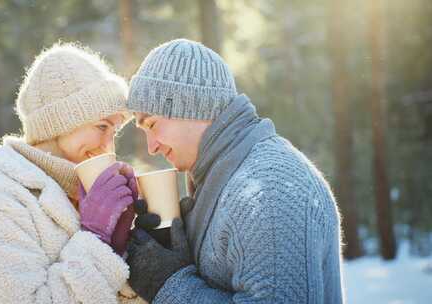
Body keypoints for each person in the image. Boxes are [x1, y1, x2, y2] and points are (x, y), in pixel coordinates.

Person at [126, 39, 344, 303]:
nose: (151, 147)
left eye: (151, 124)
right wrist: (173, 248)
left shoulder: (269, 191)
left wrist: (169, 284)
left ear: (191, 105)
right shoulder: (226, 180)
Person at [0, 43, 145, 304]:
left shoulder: (80, 194)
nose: (109, 146)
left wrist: (126, 248)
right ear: (61, 122)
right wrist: (96, 239)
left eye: (114, 132)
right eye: (102, 127)